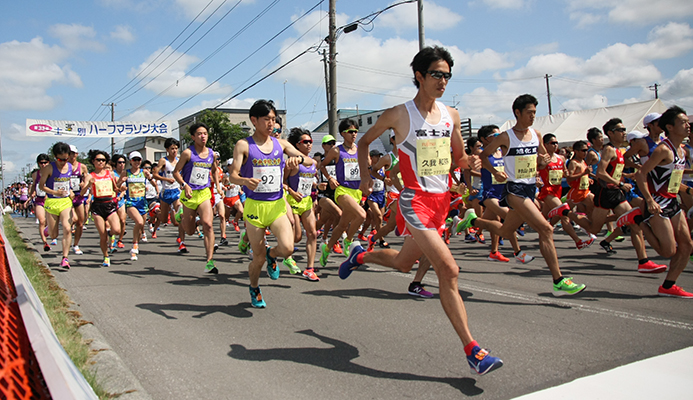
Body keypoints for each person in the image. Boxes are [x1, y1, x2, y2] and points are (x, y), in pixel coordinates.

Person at [339, 46, 503, 375]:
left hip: (442, 202)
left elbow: (457, 157)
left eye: (447, 76)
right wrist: (367, 176)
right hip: (414, 201)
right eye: (437, 74)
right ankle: (473, 350)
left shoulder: (451, 115)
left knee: (402, 263)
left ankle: (360, 256)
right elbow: (363, 142)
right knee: (449, 270)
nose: (443, 81)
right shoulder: (398, 114)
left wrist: (467, 163)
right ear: (419, 76)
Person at [457, 94, 587, 296]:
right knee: (545, 229)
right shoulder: (505, 137)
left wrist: (542, 162)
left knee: (505, 230)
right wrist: (495, 172)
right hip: (514, 191)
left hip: (529, 188)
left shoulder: (536, 134)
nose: (533, 116)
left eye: (535, 112)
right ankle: (558, 281)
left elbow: (542, 162)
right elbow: (483, 156)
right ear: (517, 113)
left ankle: (473, 221)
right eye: (529, 112)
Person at [229, 100, 316, 308]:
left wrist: (298, 161)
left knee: (287, 248)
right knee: (257, 260)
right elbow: (232, 175)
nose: (271, 123)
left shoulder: (282, 144)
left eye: (273, 119)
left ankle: (272, 254)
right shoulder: (244, 145)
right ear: (254, 120)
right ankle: (254, 287)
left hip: (276, 205)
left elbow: (311, 162)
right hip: (254, 207)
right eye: (266, 119)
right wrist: (244, 181)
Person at [559, 118, 666, 274]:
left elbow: (616, 168)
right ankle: (565, 212)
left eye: (624, 130)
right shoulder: (609, 149)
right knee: (593, 229)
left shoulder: (619, 151)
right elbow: (601, 173)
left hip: (617, 193)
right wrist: (621, 183)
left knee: (634, 223)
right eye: (620, 130)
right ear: (611, 133)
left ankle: (643, 262)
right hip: (605, 193)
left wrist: (632, 171)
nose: (624, 133)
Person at [629, 106, 693, 297]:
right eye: (683, 122)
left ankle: (668, 286)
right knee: (668, 251)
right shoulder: (663, 150)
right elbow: (641, 175)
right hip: (657, 203)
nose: (687, 125)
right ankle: (637, 220)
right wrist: (648, 200)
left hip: (672, 201)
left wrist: (687, 189)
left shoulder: (682, 151)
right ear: (670, 127)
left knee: (687, 246)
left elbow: (672, 179)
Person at [173, 123, 224, 273]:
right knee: (189, 231)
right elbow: (176, 172)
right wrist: (184, 185)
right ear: (193, 137)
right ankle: (181, 215)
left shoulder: (211, 154)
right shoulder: (188, 153)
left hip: (204, 193)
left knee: (208, 224)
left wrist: (218, 187)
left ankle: (209, 262)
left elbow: (214, 171)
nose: (203, 136)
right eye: (200, 134)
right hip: (189, 194)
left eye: (205, 133)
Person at [318, 118, 367, 266]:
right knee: (362, 215)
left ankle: (326, 250)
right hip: (342, 191)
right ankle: (348, 241)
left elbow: (367, 167)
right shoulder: (336, 150)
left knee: (342, 225)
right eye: (350, 131)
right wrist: (330, 178)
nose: (354, 134)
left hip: (356, 191)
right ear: (342, 134)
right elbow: (322, 165)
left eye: (356, 131)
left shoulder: (360, 150)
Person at [285, 127, 320, 281]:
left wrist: (317, 186)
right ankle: (283, 254)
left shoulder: (313, 162)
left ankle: (310, 268)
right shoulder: (291, 163)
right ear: (297, 145)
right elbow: (282, 182)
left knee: (312, 233)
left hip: (306, 201)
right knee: (297, 237)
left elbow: (310, 181)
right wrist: (292, 192)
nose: (309, 144)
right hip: (292, 201)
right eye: (305, 142)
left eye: (310, 141)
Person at [81, 150, 121, 267]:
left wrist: (121, 188)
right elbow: (82, 192)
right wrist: (89, 185)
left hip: (109, 204)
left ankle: (110, 233)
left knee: (117, 230)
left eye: (103, 160)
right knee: (102, 235)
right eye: (98, 160)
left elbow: (115, 189)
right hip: (97, 206)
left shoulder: (110, 174)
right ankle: (106, 256)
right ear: (93, 161)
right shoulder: (90, 176)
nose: (101, 162)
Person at [39, 142, 74, 269]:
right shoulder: (48, 168)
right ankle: (48, 230)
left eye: (66, 159)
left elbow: (68, 182)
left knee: (67, 228)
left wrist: (70, 191)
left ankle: (65, 258)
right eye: (60, 159)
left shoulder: (70, 167)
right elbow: (41, 186)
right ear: (55, 157)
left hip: (65, 202)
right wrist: (55, 192)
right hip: (52, 202)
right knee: (54, 235)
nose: (63, 162)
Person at [116, 151, 153, 261]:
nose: (137, 162)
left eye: (138, 160)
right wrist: (121, 184)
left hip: (142, 202)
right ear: (130, 161)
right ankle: (135, 244)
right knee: (139, 222)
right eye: (134, 160)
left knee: (141, 226)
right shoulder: (125, 173)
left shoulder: (144, 172)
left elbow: (152, 181)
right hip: (131, 202)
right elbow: (116, 187)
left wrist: (152, 184)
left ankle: (134, 246)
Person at [152, 138, 186, 251]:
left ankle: (182, 242)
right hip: (165, 191)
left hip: (177, 191)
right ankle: (155, 215)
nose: (174, 151)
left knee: (180, 216)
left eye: (176, 148)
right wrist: (166, 179)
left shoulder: (179, 160)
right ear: (167, 149)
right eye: (172, 148)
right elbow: (155, 175)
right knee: (164, 220)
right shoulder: (163, 161)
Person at [68, 145, 89, 256]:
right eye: (69, 153)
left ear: (77, 154)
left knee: (80, 222)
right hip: (67, 197)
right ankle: (67, 242)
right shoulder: (64, 167)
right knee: (73, 219)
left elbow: (86, 179)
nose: (72, 156)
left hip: (79, 195)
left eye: (73, 153)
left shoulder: (82, 167)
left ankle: (75, 245)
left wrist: (83, 184)